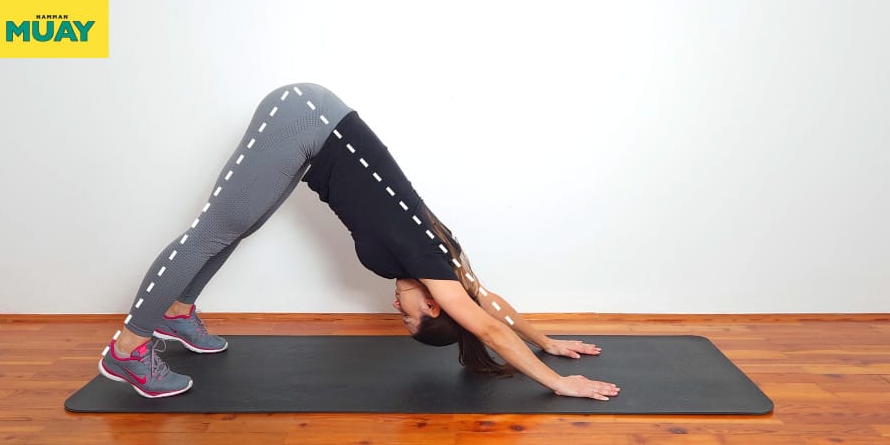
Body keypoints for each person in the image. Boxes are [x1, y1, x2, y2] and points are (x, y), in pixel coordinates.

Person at [98, 83, 621, 402]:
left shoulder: (445, 261)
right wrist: (557, 381)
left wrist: (547, 340)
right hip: (303, 118)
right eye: (408, 317)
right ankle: (128, 348)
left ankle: (177, 313)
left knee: (238, 226)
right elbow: (486, 325)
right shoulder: (429, 263)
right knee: (211, 231)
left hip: (314, 130)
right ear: (434, 306)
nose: (397, 308)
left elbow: (491, 305)